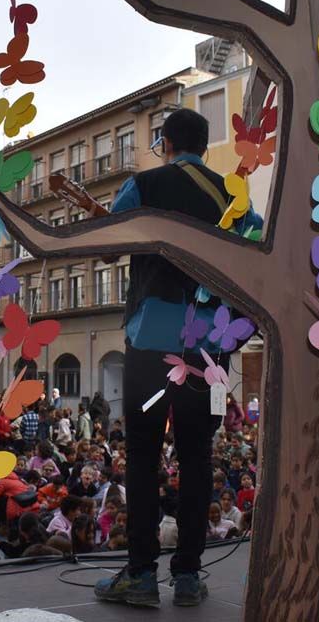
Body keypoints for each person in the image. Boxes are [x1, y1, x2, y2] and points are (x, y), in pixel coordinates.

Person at [93, 109, 252, 608]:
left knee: (142, 454)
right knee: (198, 457)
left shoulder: (143, 184)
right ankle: (187, 576)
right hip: (209, 344)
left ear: (164, 143)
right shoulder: (234, 194)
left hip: (152, 339)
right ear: (204, 148)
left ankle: (140, 574)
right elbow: (257, 250)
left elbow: (106, 248)